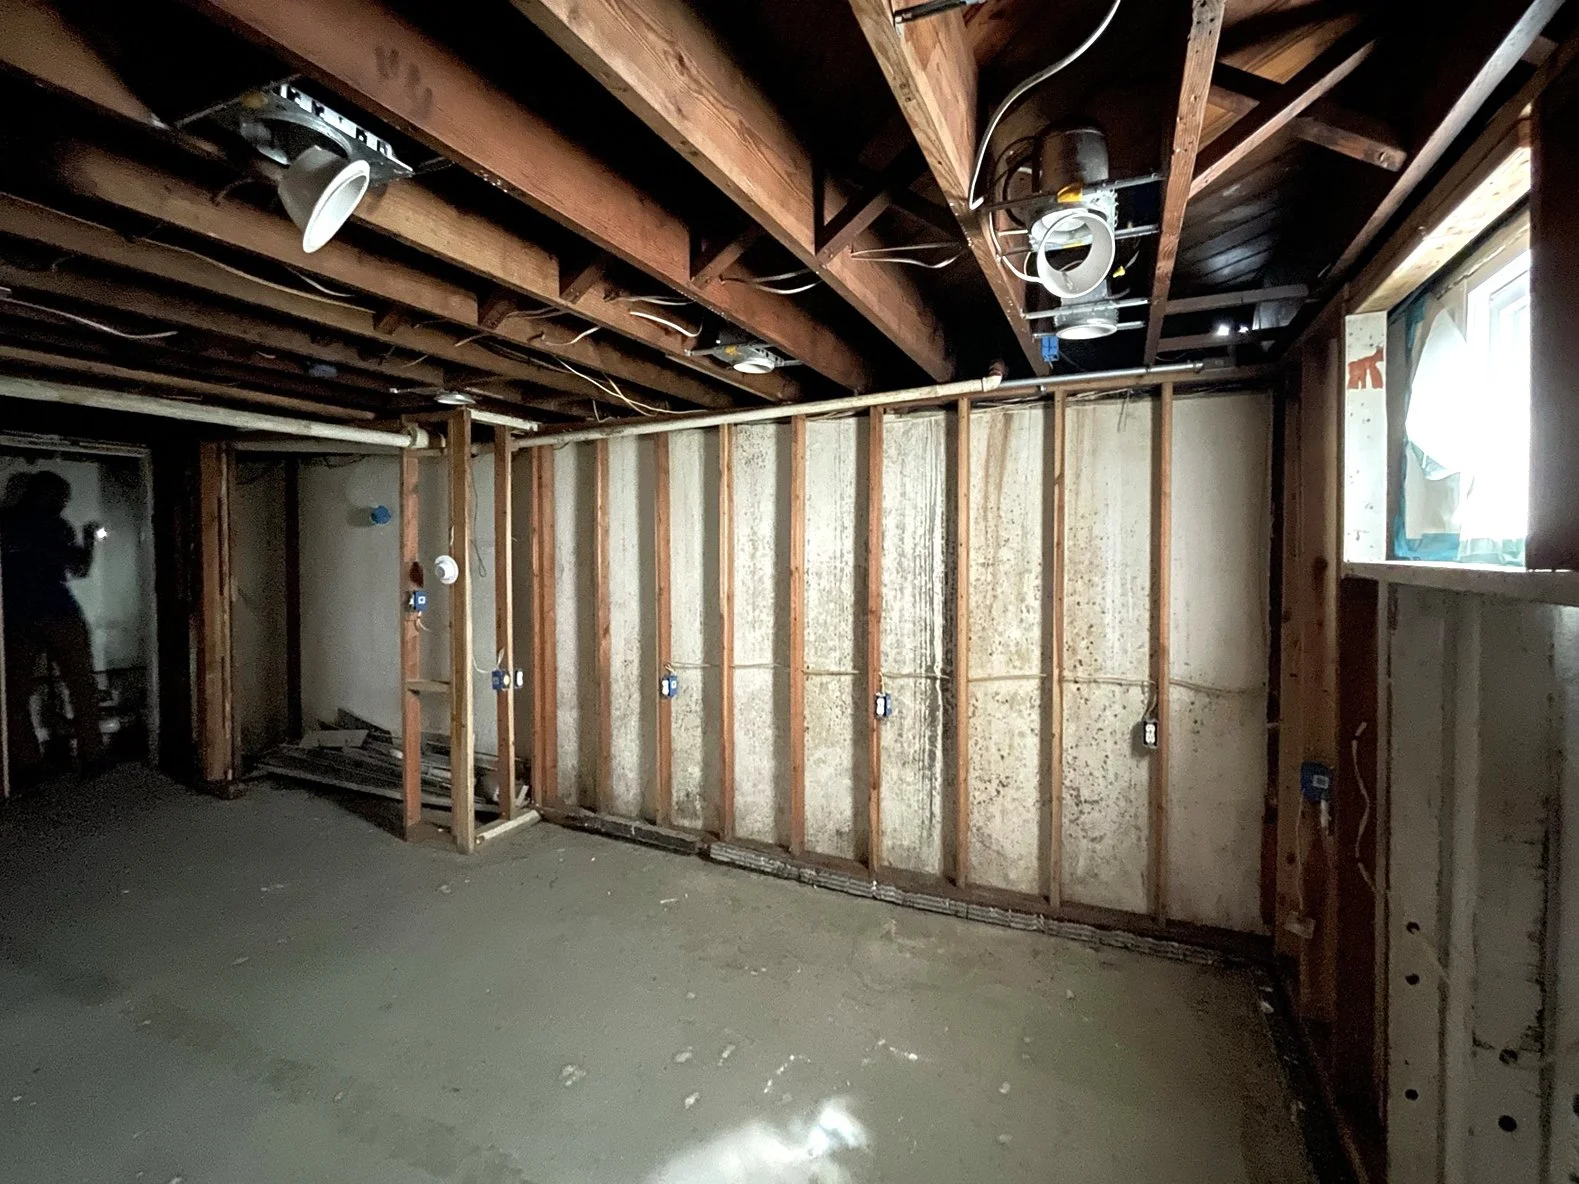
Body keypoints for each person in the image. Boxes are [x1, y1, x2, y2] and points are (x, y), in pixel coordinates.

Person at [1, 471, 104, 785]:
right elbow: (81, 568)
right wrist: (89, 538)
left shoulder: (6, 523)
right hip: (58, 613)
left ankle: (27, 765)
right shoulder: (55, 526)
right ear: (46, 495)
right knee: (81, 686)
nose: (65, 503)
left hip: (16, 617)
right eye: (62, 496)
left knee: (14, 697)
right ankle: (92, 757)